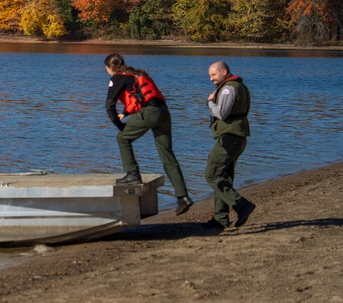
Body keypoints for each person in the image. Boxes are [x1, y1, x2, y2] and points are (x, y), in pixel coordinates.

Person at [103, 53, 193, 215]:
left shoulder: (116, 77)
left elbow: (109, 105)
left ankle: (132, 174)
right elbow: (142, 96)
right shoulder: (137, 73)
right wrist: (125, 113)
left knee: (122, 138)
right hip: (163, 112)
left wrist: (119, 126)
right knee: (167, 156)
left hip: (150, 113)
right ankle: (183, 197)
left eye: (106, 69)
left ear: (109, 68)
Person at [203, 61, 255, 230]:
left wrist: (210, 102)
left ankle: (241, 205)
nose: (211, 79)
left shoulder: (228, 88)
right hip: (236, 137)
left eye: (213, 74)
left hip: (230, 138)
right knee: (224, 176)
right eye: (210, 75)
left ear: (224, 71)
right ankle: (220, 218)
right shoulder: (238, 86)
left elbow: (222, 113)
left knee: (212, 174)